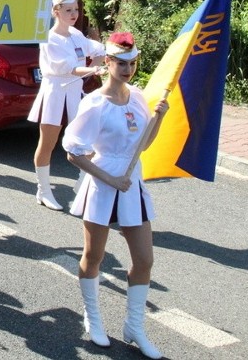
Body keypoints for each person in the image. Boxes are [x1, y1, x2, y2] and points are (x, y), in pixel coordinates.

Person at [62, 32, 167, 359]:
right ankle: (92, 316)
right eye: (121, 63)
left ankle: (134, 326)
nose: (128, 68)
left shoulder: (137, 96)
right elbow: (72, 152)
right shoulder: (93, 104)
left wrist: (160, 117)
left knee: (145, 260)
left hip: (131, 183)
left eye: (132, 63)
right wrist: (108, 178)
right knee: (94, 257)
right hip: (104, 182)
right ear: (107, 63)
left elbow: (144, 144)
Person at [27, 0, 105, 210]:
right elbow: (66, 67)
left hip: (74, 95)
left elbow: (98, 49)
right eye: (69, 10)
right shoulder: (49, 38)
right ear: (56, 11)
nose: (74, 14)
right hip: (54, 94)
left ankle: (81, 183)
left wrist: (99, 62)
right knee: (48, 144)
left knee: (86, 141)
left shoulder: (77, 35)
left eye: (76, 10)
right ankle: (43, 190)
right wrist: (92, 70)